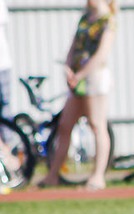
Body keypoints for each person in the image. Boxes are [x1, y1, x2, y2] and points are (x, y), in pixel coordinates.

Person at [38, 0, 117, 191]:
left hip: (94, 78)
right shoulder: (85, 17)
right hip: (77, 79)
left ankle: (98, 177)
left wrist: (82, 73)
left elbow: (101, 54)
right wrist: (68, 68)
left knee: (97, 126)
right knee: (65, 126)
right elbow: (74, 46)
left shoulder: (108, 20)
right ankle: (52, 175)